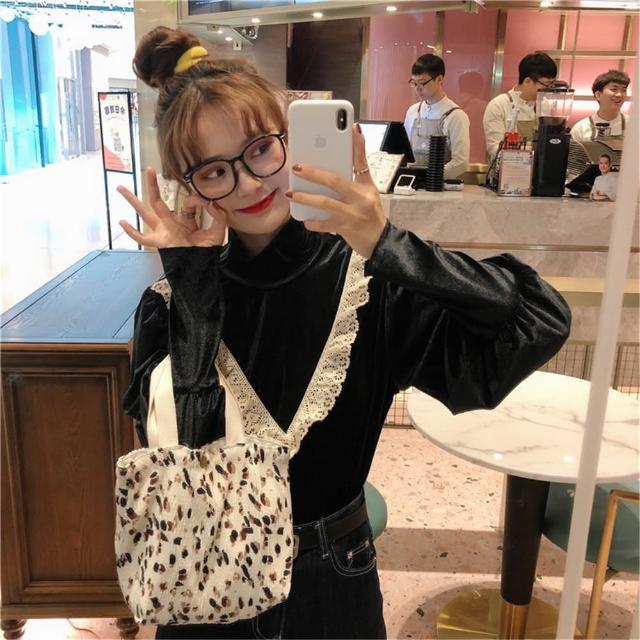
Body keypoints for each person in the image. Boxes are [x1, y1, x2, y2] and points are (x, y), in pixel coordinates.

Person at [118, 26, 571, 640]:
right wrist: (195, 292)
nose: (248, 183)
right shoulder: (170, 305)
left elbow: (534, 320)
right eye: (215, 170)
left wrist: (388, 244)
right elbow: (185, 465)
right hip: (207, 580)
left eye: (260, 150)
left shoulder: (370, 282)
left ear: (290, 140)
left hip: (335, 577)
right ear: (188, 183)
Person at [403, 54, 470, 179]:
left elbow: (460, 163)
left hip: (439, 185)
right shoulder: (413, 111)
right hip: (412, 183)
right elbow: (405, 152)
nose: (417, 89)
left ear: (439, 79)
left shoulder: (455, 115)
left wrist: (429, 178)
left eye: (422, 83)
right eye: (414, 83)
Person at [483, 53, 557, 160]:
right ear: (527, 81)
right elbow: (494, 149)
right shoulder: (499, 105)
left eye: (552, 84)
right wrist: (528, 149)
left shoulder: (545, 105)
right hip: (508, 168)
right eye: (546, 84)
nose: (548, 90)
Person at [571, 69, 630, 143]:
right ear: (598, 95)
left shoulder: (634, 124)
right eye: (614, 89)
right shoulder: (581, 128)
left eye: (623, 90)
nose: (619, 94)